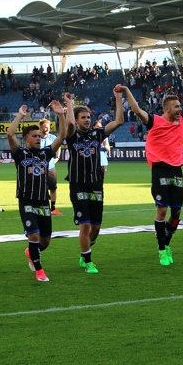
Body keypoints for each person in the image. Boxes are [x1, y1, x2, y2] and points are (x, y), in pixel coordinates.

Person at [116, 67, 183, 266]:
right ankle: (161, 249)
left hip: (177, 170)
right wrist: (126, 91)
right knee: (162, 211)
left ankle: (166, 242)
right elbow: (136, 110)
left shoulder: (182, 120)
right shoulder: (154, 121)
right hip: (160, 169)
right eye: (176, 106)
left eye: (179, 106)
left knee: (176, 213)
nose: (179, 108)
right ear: (166, 109)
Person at [63, 89, 123, 274]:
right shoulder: (72, 137)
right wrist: (70, 105)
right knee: (85, 224)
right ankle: (88, 261)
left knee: (96, 227)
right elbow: (70, 124)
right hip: (78, 184)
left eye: (88, 117)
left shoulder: (97, 134)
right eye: (83, 117)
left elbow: (119, 121)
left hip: (96, 183)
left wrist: (119, 99)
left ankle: (86, 250)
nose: (87, 120)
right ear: (77, 119)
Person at [9, 102, 67, 282]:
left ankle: (31, 252)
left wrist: (60, 115)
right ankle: (39, 271)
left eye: (38, 136)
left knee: (45, 241)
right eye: (34, 136)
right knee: (33, 235)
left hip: (43, 201)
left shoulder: (46, 154)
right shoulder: (20, 154)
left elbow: (63, 135)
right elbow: (10, 134)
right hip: (27, 200)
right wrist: (19, 115)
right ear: (26, 139)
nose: (38, 139)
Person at [39, 119, 63, 216]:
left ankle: (53, 208)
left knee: (53, 188)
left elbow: (59, 146)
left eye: (49, 127)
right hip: (39, 167)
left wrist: (57, 157)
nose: (47, 128)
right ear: (40, 127)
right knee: (40, 188)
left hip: (50, 166)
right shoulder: (37, 138)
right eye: (45, 126)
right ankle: (42, 207)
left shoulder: (52, 137)